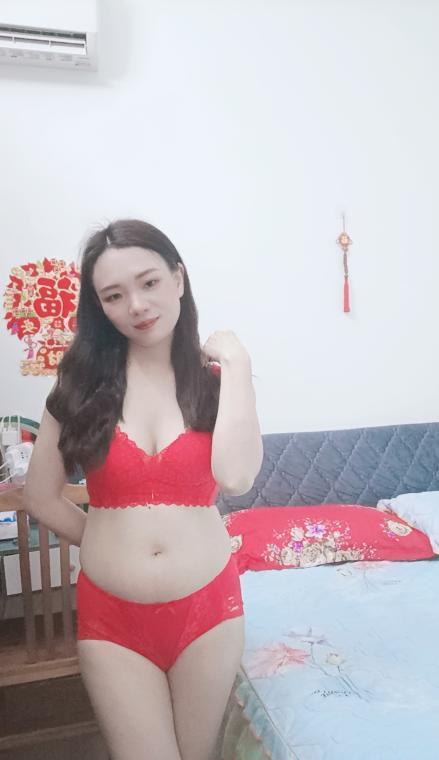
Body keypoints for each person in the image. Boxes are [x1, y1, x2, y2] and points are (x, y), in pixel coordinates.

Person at [23, 219, 263, 760]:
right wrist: (108, 543)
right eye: (113, 295)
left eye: (149, 282)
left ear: (178, 277)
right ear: (99, 307)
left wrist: (239, 365)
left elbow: (236, 477)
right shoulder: (78, 386)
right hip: (113, 617)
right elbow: (40, 497)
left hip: (209, 609)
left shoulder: (218, 384)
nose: (136, 305)